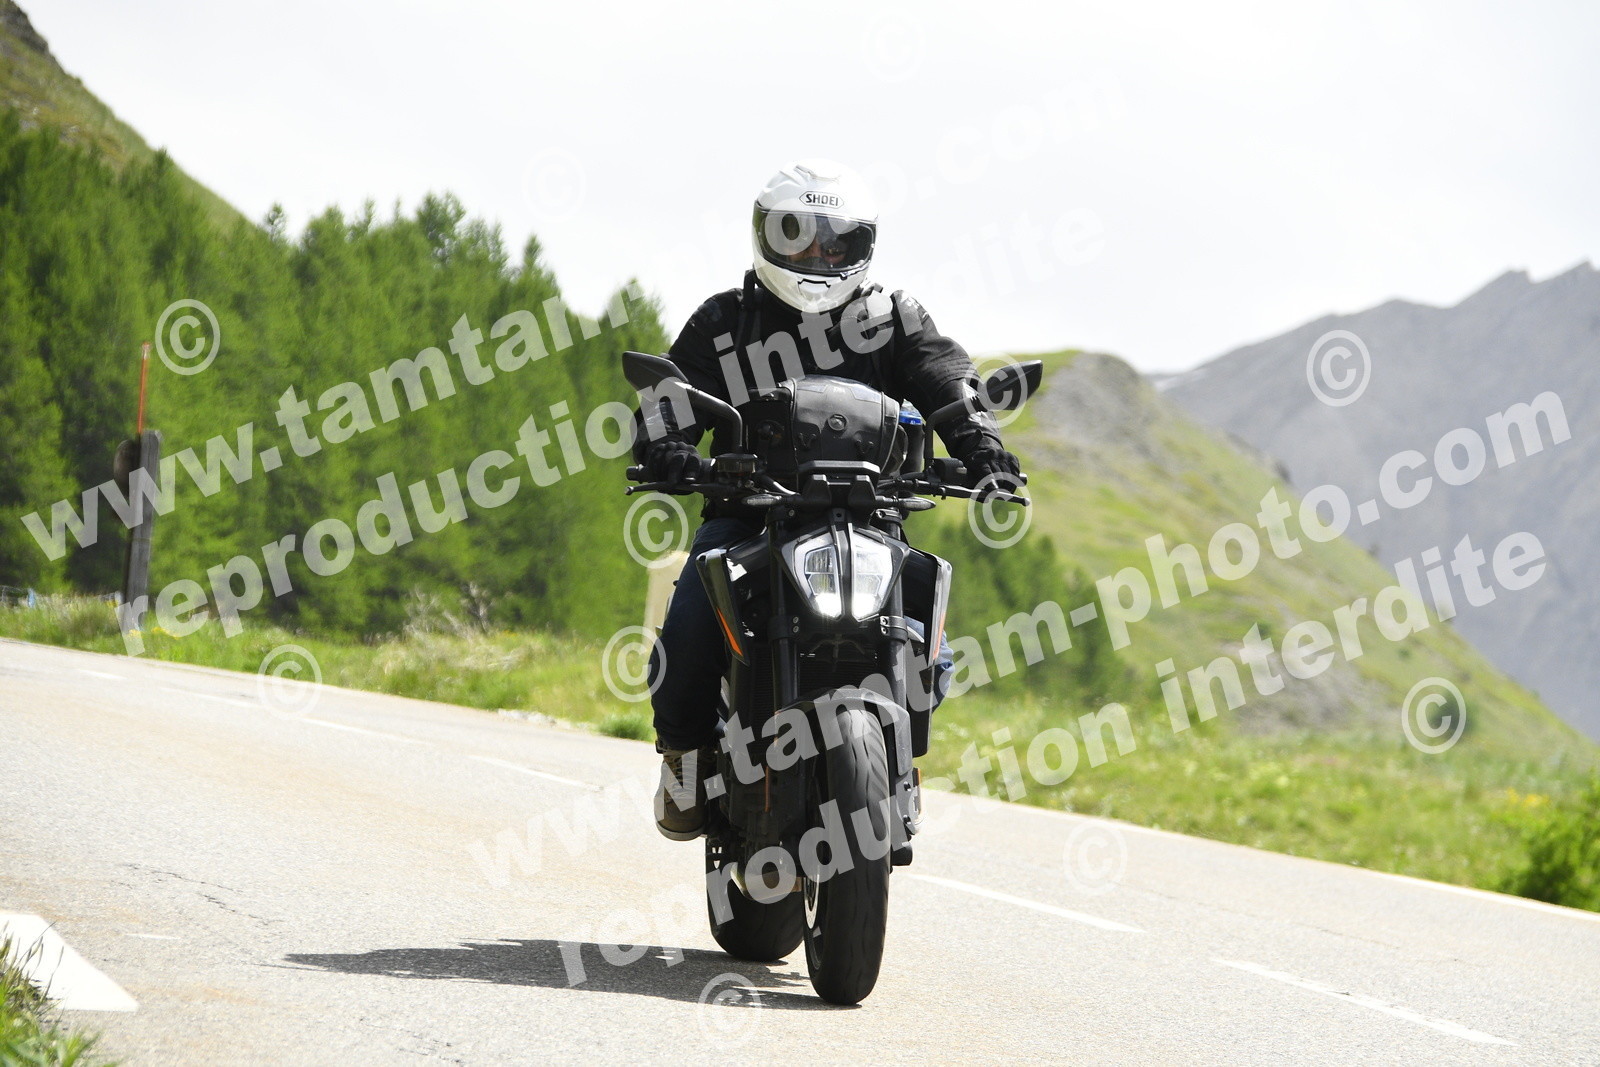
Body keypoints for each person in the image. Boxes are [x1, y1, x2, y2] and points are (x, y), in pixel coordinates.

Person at [635, 159, 1024, 840]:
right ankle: (686, 757)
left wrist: (983, 445)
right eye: (797, 235)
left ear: (861, 244)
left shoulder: (893, 320)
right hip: (749, 517)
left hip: (870, 521)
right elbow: (673, 395)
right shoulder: (727, 319)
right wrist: (666, 443)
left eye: (834, 240)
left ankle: (896, 761)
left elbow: (948, 379)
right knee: (690, 624)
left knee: (932, 643)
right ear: (766, 234)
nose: (817, 255)